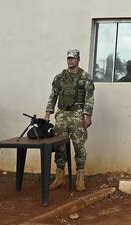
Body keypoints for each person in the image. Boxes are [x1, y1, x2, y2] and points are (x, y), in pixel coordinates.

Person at [45, 49, 95, 192]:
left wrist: (88, 115)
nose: (70, 61)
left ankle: (80, 178)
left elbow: (89, 97)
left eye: (73, 58)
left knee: (79, 146)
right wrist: (48, 113)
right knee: (59, 146)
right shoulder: (60, 77)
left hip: (77, 114)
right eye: (68, 58)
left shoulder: (85, 77)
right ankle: (60, 177)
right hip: (62, 115)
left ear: (78, 60)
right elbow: (53, 95)